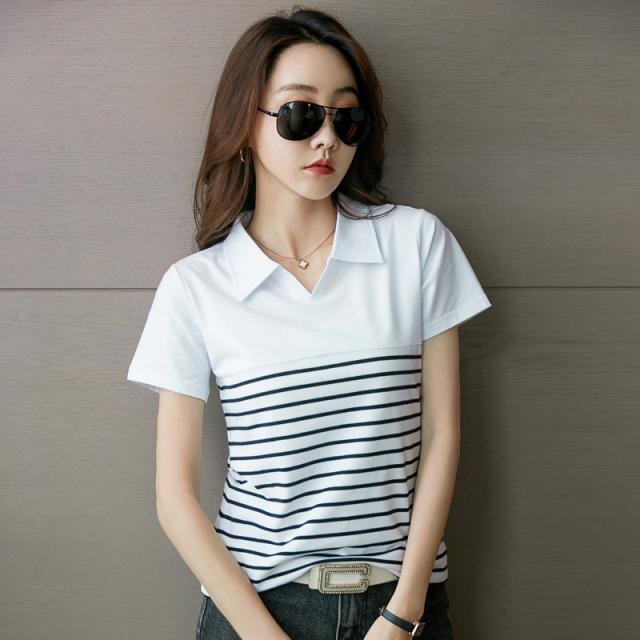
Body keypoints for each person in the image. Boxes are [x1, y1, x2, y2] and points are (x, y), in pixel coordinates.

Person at [127, 6, 492, 639]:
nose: (327, 139)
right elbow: (174, 498)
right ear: (247, 122)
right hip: (260, 608)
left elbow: (443, 437)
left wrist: (404, 612)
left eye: (346, 118)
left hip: (402, 607)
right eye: (300, 114)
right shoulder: (195, 288)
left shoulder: (415, 244)